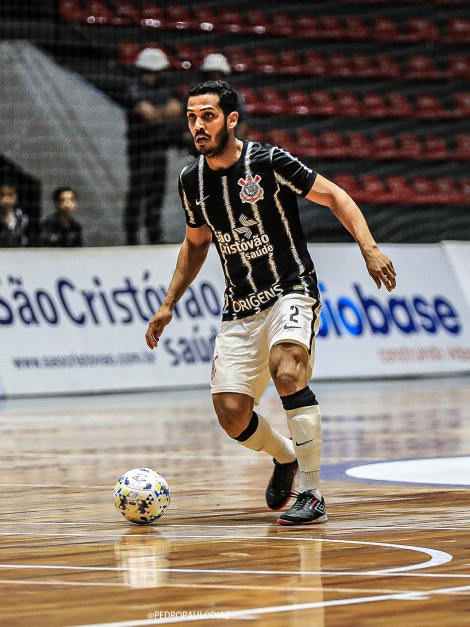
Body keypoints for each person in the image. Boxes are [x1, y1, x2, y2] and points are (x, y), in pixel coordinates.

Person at [145, 81, 396, 525]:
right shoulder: (191, 180)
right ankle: (285, 458)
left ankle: (312, 493)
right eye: (191, 117)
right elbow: (195, 243)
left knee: (287, 368)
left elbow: (335, 195)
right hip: (240, 306)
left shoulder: (267, 161)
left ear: (231, 119)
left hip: (290, 289)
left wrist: (369, 247)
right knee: (231, 413)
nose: (198, 126)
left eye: (207, 116)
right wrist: (168, 304)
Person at [123, 48, 184, 245]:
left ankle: (154, 235)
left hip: (160, 148)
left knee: (156, 196)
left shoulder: (163, 89)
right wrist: (165, 113)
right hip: (140, 149)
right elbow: (148, 115)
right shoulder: (133, 87)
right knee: (137, 193)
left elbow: (178, 111)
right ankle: (131, 237)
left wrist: (158, 114)